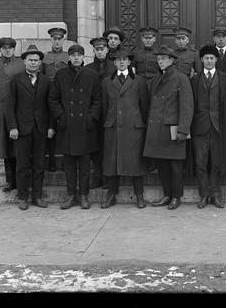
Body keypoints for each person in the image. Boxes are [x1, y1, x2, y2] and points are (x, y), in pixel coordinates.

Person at [49, 44, 102, 210]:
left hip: (85, 126)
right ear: (69, 57)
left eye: (79, 54)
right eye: (73, 55)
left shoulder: (91, 75)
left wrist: (91, 117)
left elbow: (98, 99)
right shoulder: (61, 75)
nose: (76, 57)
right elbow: (53, 99)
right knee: (69, 166)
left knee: (85, 166)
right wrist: (61, 116)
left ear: (83, 57)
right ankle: (71, 195)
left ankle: (84, 195)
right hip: (68, 126)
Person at [143, 45, 194, 210]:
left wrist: (183, 129)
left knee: (176, 166)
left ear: (172, 60)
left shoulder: (181, 78)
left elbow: (187, 106)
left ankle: (176, 197)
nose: (160, 62)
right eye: (158, 59)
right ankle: (167, 195)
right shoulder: (156, 79)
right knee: (162, 166)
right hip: (158, 130)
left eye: (163, 59)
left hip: (173, 129)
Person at [6, 45, 55, 210]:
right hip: (21, 129)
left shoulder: (46, 81)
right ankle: (23, 197)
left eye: (36, 60)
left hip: (40, 129)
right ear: (24, 61)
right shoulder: (16, 80)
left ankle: (37, 197)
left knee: (39, 165)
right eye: (30, 60)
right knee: (22, 165)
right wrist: (12, 127)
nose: (34, 63)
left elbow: (50, 106)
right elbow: (9, 105)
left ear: (40, 62)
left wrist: (50, 127)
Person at [100, 48, 150, 209]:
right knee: (112, 162)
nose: (121, 62)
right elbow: (104, 107)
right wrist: (108, 121)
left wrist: (139, 122)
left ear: (129, 62)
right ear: (114, 62)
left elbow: (144, 106)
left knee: (135, 163)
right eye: (118, 59)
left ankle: (139, 194)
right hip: (113, 126)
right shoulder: (106, 82)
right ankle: (111, 194)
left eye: (125, 59)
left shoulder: (139, 81)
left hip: (133, 128)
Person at [190, 45, 226, 209]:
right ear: (201, 60)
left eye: (212, 58)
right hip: (200, 127)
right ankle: (203, 195)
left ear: (216, 59)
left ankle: (215, 195)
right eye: (206, 58)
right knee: (200, 163)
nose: (209, 61)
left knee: (217, 163)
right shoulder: (194, 80)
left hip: (219, 126)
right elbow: (191, 105)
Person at [0, 37, 25, 193]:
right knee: (6, 147)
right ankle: (10, 181)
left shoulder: (21, 64)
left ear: (14, 49)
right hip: (2, 112)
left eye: (10, 48)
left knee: (19, 146)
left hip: (19, 111)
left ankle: (21, 180)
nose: (7, 50)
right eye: (4, 48)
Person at [85, 36, 116, 189]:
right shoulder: (88, 68)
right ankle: (97, 175)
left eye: (102, 49)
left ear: (107, 49)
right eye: (97, 49)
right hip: (94, 114)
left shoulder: (115, 67)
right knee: (95, 146)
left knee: (109, 146)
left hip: (111, 112)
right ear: (94, 51)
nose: (100, 52)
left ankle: (109, 177)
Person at [41, 27, 69, 172]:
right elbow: (41, 77)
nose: (57, 41)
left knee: (64, 128)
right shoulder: (45, 58)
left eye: (59, 38)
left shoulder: (68, 56)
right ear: (51, 40)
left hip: (64, 96)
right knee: (49, 128)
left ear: (63, 39)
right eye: (54, 39)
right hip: (49, 95)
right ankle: (51, 160)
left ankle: (65, 160)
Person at [132, 26, 160, 92]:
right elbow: (133, 71)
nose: (148, 40)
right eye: (146, 38)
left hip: (155, 84)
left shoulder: (159, 53)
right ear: (142, 39)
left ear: (154, 39)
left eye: (150, 38)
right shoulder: (136, 53)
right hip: (140, 84)